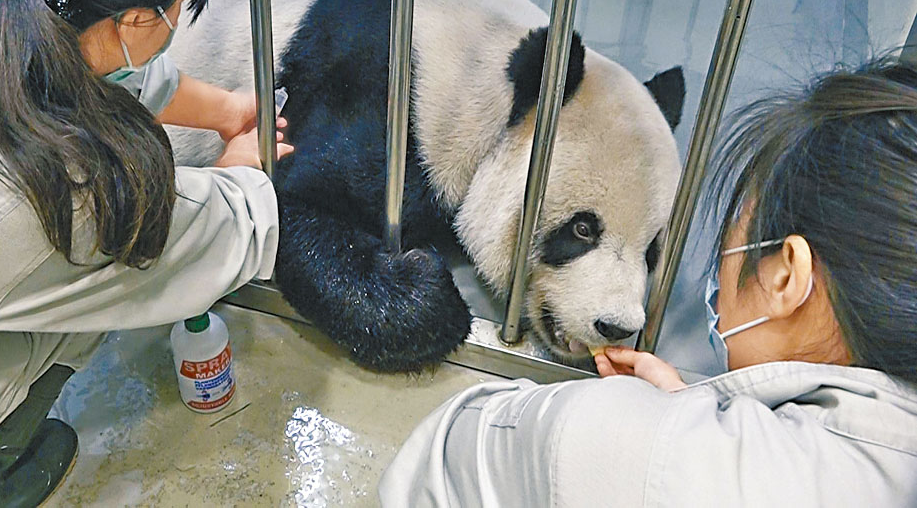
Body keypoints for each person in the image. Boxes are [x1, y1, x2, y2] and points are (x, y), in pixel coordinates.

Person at [379, 57, 917, 506]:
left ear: (785, 277)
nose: (631, 312)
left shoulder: (620, 446)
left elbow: (440, 461)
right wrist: (706, 413)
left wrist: (659, 429)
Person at [0, 0, 291, 505]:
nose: (181, 17)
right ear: (139, 19)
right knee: (90, 300)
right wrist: (246, 166)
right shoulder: (64, 193)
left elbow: (92, 70)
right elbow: (211, 232)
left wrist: (230, 109)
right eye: (181, 6)